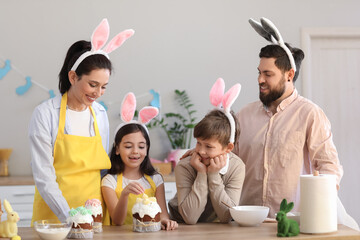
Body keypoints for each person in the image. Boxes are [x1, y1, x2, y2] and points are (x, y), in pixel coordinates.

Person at [234, 17, 344, 218]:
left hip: (293, 225)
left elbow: (329, 167)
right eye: (259, 73)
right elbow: (230, 162)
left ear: (289, 75)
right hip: (247, 223)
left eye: (268, 74)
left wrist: (319, 210)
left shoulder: (310, 115)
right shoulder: (244, 115)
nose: (260, 80)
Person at [28, 19, 134, 223]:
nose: (98, 93)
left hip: (94, 214)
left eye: (104, 87)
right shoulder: (45, 114)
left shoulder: (100, 113)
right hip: (54, 217)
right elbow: (43, 176)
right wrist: (70, 217)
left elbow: (103, 169)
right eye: (93, 84)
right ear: (73, 77)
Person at [168, 79, 246, 224]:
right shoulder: (185, 165)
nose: (201, 151)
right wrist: (202, 173)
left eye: (209, 147)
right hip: (181, 226)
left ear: (228, 148)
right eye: (198, 143)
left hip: (217, 229)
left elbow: (227, 216)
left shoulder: (237, 167)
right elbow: (190, 218)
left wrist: (214, 175)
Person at [101, 92, 178, 230]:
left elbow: (163, 215)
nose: (135, 151)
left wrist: (167, 221)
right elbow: (117, 221)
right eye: (128, 146)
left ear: (147, 149)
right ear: (117, 149)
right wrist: (124, 194)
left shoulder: (156, 179)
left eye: (141, 146)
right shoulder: (109, 181)